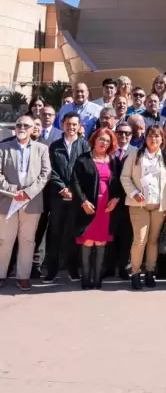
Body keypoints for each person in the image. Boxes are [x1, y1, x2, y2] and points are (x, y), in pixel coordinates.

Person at [120, 125, 166, 289]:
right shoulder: (135, 156)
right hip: (139, 205)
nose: (154, 139)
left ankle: (150, 272)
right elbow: (125, 177)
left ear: (162, 139)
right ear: (146, 138)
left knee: (153, 241)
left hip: (159, 206)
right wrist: (133, 192)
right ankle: (136, 273)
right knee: (140, 240)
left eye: (158, 136)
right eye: (151, 136)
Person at [0, 116, 51, 291]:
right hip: (7, 200)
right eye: (19, 124)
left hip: (32, 203)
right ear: (15, 128)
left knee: (27, 240)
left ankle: (23, 277)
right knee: (5, 240)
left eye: (26, 125)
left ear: (32, 129)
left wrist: (27, 194)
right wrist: (14, 191)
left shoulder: (42, 149)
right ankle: (1, 274)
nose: (22, 127)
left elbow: (45, 174)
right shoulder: (3, 148)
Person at [71, 128, 122, 289]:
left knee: (101, 241)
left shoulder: (114, 161)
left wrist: (116, 199)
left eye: (107, 141)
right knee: (87, 240)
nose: (104, 143)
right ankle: (85, 279)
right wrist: (83, 201)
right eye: (101, 139)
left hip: (106, 208)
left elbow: (121, 183)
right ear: (94, 139)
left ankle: (98, 278)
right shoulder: (83, 160)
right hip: (88, 207)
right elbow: (75, 183)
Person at [43, 112, 89, 282]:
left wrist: (74, 190)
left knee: (73, 234)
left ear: (79, 126)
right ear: (62, 124)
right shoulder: (54, 146)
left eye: (74, 125)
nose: (71, 128)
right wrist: (62, 188)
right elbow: (50, 170)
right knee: (55, 234)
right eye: (68, 124)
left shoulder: (84, 146)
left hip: (76, 197)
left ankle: (73, 270)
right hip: (58, 197)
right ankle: (51, 270)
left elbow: (85, 170)